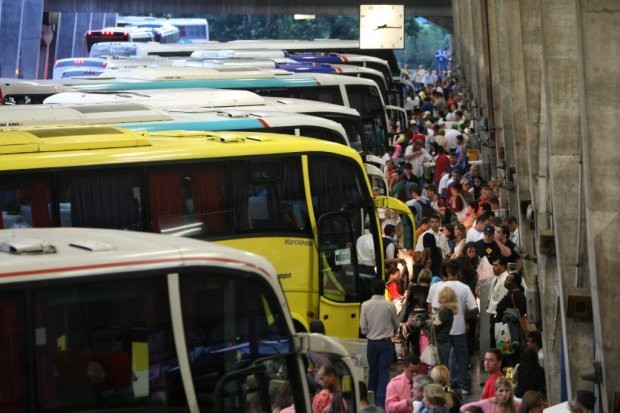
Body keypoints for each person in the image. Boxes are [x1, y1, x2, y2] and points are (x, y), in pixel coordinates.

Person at [427, 261, 478, 395]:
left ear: (445, 271)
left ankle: (441, 384)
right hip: (459, 328)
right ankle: (464, 386)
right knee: (461, 358)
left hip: (441, 331)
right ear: (459, 272)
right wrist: (462, 313)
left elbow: (431, 308)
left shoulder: (435, 287)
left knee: (441, 360)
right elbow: (474, 309)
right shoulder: (464, 288)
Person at [361, 278, 399, 409]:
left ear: (372, 289)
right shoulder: (390, 305)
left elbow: (363, 328)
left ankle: (369, 401)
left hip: (371, 343)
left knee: (372, 372)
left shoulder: (365, 305)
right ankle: (380, 404)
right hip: (386, 344)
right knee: (384, 373)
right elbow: (397, 324)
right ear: (384, 290)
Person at [494, 272, 527, 367]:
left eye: (509, 280)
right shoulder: (510, 293)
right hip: (505, 330)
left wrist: (508, 316)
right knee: (505, 354)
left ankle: (511, 376)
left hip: (511, 331)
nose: (506, 281)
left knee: (510, 355)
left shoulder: (518, 295)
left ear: (515, 283)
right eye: (506, 279)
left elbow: (522, 310)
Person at [434, 287, 457, 367]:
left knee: (443, 366)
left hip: (441, 342)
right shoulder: (448, 310)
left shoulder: (445, 312)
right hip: (445, 341)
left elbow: (435, 326)